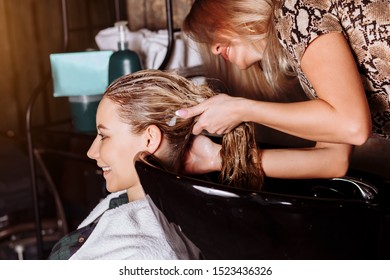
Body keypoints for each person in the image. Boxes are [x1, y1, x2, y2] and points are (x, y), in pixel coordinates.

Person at [48, 69, 263, 260]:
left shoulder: (144, 256)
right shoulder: (124, 206)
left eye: (104, 136)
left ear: (149, 140)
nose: (91, 152)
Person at [178, 0, 390, 179]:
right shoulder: (301, 35)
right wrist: (217, 158)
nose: (214, 49)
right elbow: (332, 159)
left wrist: (242, 109)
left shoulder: (294, 9)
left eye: (214, 31)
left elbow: (352, 126)